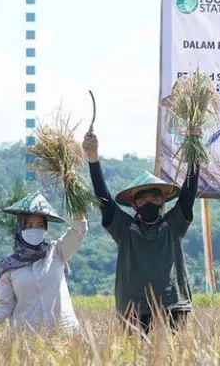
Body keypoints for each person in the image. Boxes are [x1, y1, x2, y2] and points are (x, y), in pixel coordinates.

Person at [82, 131, 200, 335]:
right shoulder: (124, 228)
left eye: (154, 196)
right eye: (142, 198)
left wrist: (194, 151)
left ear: (163, 200)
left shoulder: (174, 224)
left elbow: (188, 195)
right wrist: (93, 159)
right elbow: (104, 200)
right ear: (134, 204)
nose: (149, 201)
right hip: (133, 309)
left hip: (173, 307)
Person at [0, 192, 87, 334]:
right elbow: (3, 307)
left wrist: (78, 209)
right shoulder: (9, 267)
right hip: (28, 339)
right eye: (30, 225)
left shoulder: (57, 251)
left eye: (39, 225)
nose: (35, 230)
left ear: (45, 229)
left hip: (64, 334)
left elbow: (78, 232)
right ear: (20, 228)